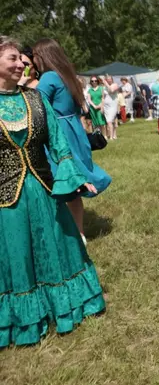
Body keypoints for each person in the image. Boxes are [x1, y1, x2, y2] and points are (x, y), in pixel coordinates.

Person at [0, 36, 106, 349]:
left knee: (57, 249)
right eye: (13, 58)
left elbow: (57, 140)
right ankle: (23, 319)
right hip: (6, 198)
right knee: (17, 254)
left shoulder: (35, 99)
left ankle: (62, 306)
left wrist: (71, 174)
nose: (21, 63)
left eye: (22, 59)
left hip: (43, 189)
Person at [33, 38, 112, 244]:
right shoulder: (67, 76)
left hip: (58, 134)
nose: (32, 60)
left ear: (42, 56)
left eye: (34, 56)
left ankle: (63, 235)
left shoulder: (49, 77)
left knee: (59, 182)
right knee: (74, 187)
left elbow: (36, 106)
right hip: (75, 132)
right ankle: (79, 233)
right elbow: (80, 110)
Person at [103, 75, 120, 140]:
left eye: (110, 79)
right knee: (109, 121)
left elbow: (112, 90)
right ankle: (113, 135)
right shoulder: (104, 87)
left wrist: (106, 84)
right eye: (107, 79)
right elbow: (103, 97)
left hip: (113, 106)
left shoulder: (115, 85)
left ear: (112, 79)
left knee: (110, 121)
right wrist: (102, 106)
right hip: (106, 106)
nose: (109, 80)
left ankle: (111, 137)